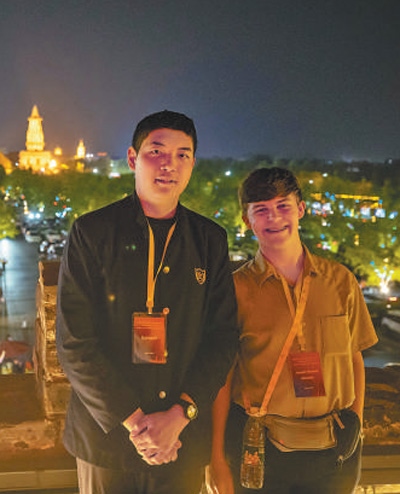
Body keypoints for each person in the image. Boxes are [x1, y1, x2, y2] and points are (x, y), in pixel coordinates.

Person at [56, 110, 238, 494]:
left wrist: (180, 414)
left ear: (192, 164)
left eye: (182, 155)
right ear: (132, 158)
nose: (169, 164)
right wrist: (136, 423)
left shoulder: (210, 240)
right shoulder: (92, 233)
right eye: (157, 151)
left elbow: (222, 339)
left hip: (181, 440)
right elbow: (75, 343)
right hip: (107, 439)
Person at [209, 167, 378, 494]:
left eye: (283, 206)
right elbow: (222, 376)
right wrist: (215, 457)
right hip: (259, 445)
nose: (274, 217)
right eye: (261, 210)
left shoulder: (340, 282)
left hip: (334, 449)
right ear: (247, 221)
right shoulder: (235, 290)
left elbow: (355, 357)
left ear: (300, 209)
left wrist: (354, 428)